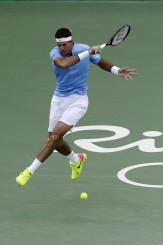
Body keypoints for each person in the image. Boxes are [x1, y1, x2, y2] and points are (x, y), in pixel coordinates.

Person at [15, 27, 137, 186]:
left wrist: (117, 70)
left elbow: (101, 62)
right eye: (59, 45)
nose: (61, 48)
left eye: (65, 45)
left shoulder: (83, 48)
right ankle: (76, 159)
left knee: (55, 137)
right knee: (54, 140)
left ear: (72, 42)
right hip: (58, 99)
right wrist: (88, 52)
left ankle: (29, 171)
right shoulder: (55, 54)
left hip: (78, 101)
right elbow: (65, 64)